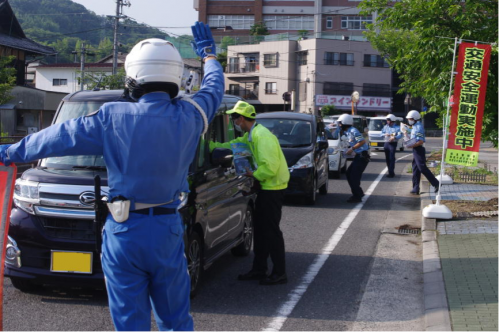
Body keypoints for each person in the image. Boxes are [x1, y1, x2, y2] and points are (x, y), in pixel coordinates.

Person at [0, 22, 224, 331]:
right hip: (168, 229)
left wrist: (8, 153)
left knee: (130, 322)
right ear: (175, 76)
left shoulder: (110, 116)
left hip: (124, 229)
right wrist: (209, 55)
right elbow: (214, 87)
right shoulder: (192, 115)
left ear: (133, 75)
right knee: (175, 320)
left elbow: (54, 138)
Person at [210, 101, 290, 285]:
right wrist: (211, 146)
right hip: (266, 187)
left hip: (273, 188)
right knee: (261, 231)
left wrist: (253, 174)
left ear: (242, 118)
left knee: (271, 232)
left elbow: (270, 167)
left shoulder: (262, 137)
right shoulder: (252, 135)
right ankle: (259, 269)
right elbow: (234, 144)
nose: (233, 122)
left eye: (234, 118)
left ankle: (279, 273)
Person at [405, 110, 440, 195]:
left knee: (422, 168)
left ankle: (436, 183)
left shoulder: (418, 127)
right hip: (416, 149)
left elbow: (420, 141)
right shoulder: (414, 126)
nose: (409, 120)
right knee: (415, 169)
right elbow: (414, 138)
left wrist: (410, 146)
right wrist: (406, 134)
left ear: (415, 119)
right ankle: (415, 188)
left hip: (419, 149)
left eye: (410, 119)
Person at [337, 113, 370, 203]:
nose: (339, 125)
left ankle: (357, 196)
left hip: (362, 156)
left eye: (340, 123)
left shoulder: (353, 131)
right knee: (349, 174)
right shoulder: (347, 132)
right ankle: (358, 193)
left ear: (345, 123)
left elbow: (362, 141)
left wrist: (352, 149)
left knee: (353, 176)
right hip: (358, 156)